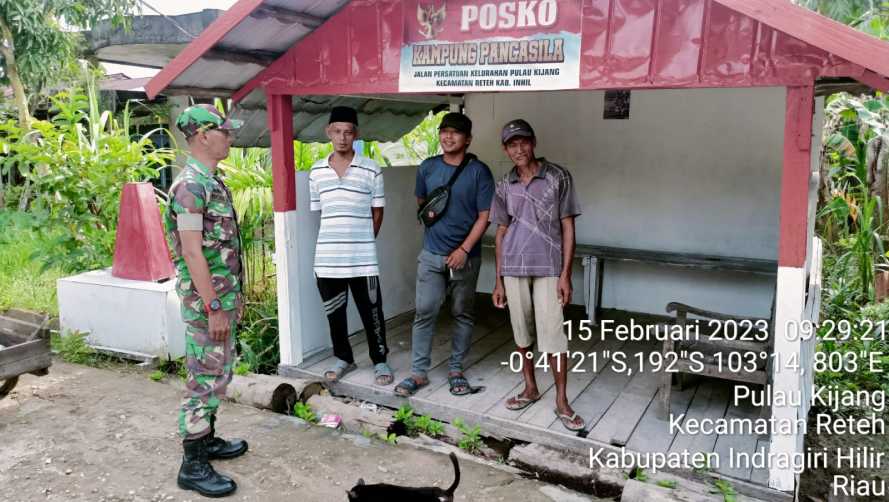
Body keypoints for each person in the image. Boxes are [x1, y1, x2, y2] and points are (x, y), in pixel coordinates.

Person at [164, 104, 248, 497]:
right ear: (203, 136)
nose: (230, 137)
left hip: (221, 298)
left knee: (218, 374)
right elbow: (193, 252)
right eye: (224, 131)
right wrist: (214, 305)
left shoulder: (211, 181)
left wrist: (232, 299)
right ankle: (192, 463)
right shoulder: (189, 187)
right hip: (206, 305)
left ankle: (207, 438)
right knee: (203, 380)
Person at [489, 119, 585, 432]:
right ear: (505, 149)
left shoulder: (557, 176)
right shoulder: (505, 184)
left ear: (534, 142)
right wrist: (498, 279)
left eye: (523, 142)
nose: (518, 149)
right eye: (511, 145)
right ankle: (530, 387)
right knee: (521, 333)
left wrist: (565, 274)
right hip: (514, 267)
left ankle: (561, 401)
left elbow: (568, 226)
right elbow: (501, 232)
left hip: (548, 267)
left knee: (554, 334)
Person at [394, 112, 494, 397]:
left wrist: (463, 249)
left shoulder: (479, 171)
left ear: (468, 139)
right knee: (425, 311)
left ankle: (455, 369)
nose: (448, 137)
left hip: (465, 257)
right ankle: (418, 373)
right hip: (431, 255)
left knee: (462, 313)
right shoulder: (427, 167)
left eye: (456, 132)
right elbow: (424, 206)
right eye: (444, 131)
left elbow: (485, 215)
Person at [309, 106, 392, 386]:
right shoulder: (316, 172)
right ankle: (343, 357)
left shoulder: (371, 169)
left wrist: (364, 241)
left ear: (355, 134)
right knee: (335, 314)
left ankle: (380, 360)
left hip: (363, 259)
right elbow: (322, 213)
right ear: (328, 133)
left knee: (372, 312)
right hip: (327, 260)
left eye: (348, 132)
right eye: (337, 132)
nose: (342, 138)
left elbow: (377, 212)